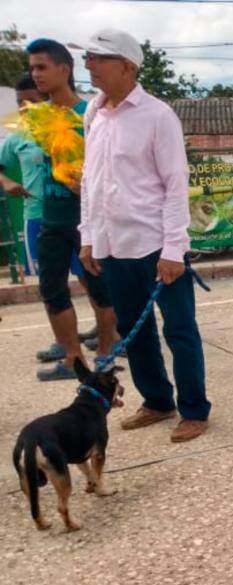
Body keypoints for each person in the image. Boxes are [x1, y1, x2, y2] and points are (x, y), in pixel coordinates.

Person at [77, 29, 211, 443]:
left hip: (157, 246)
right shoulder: (93, 114)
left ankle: (194, 409)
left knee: (180, 330)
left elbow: (175, 184)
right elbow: (90, 181)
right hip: (114, 245)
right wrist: (88, 237)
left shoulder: (157, 115)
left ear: (128, 66)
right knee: (135, 329)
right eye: (87, 57)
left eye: (99, 57)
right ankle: (156, 401)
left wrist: (174, 249)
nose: (89, 64)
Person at [26, 37, 118, 381]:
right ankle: (71, 358)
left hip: (86, 218)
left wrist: (87, 184)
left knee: (99, 288)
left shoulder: (92, 113)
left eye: (42, 67)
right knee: (51, 289)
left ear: (64, 69)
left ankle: (106, 353)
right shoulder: (36, 117)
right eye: (32, 68)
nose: (36, 75)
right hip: (50, 216)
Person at [0, 75, 47, 278]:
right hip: (36, 215)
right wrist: (7, 182)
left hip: (72, 215)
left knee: (92, 284)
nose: (24, 107)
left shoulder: (70, 128)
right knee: (49, 287)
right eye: (20, 102)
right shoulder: (16, 136)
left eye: (31, 101)